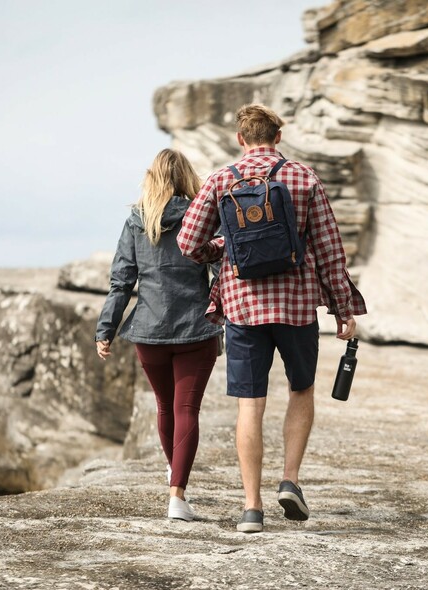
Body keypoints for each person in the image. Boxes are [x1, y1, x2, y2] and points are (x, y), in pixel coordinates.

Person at [177, 103, 366, 533]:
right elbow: (330, 250)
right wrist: (343, 309)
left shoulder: (223, 179)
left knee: (250, 404)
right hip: (297, 306)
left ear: (241, 139)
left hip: (243, 308)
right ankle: (291, 481)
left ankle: (251, 509)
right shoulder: (303, 176)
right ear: (278, 137)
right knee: (302, 389)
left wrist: (221, 250)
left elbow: (188, 242)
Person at [95, 148, 223, 522]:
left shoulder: (137, 219)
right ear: (186, 177)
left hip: (148, 333)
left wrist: (106, 329)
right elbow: (221, 268)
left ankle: (174, 475)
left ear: (151, 178)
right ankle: (177, 496)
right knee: (186, 410)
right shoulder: (201, 216)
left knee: (165, 407)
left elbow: (122, 282)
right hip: (196, 328)